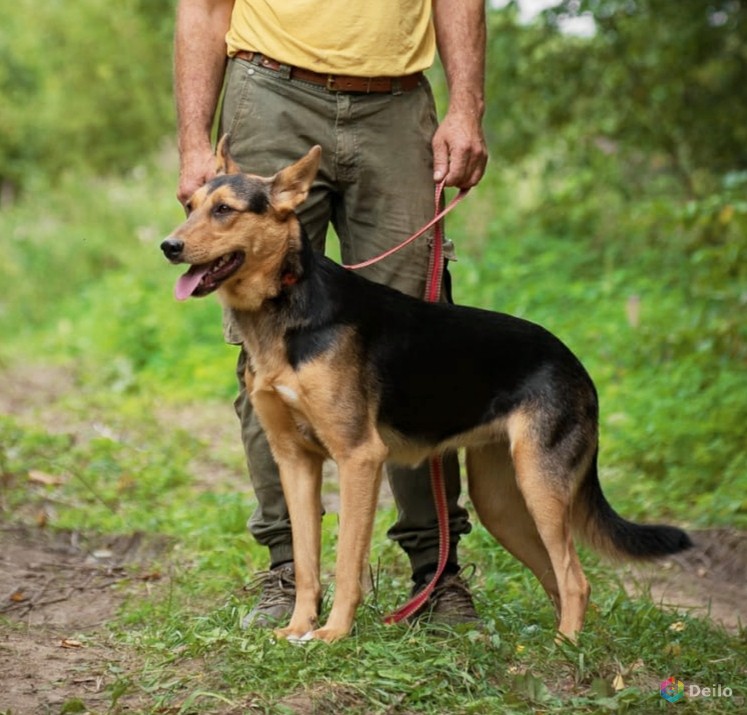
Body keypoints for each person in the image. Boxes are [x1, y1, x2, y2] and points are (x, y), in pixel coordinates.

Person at [174, 0, 489, 627]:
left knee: (419, 343)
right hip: (269, 91)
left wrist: (465, 106)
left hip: (398, 105)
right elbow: (204, 9)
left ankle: (436, 573)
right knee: (262, 349)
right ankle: (292, 573)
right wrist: (192, 142)